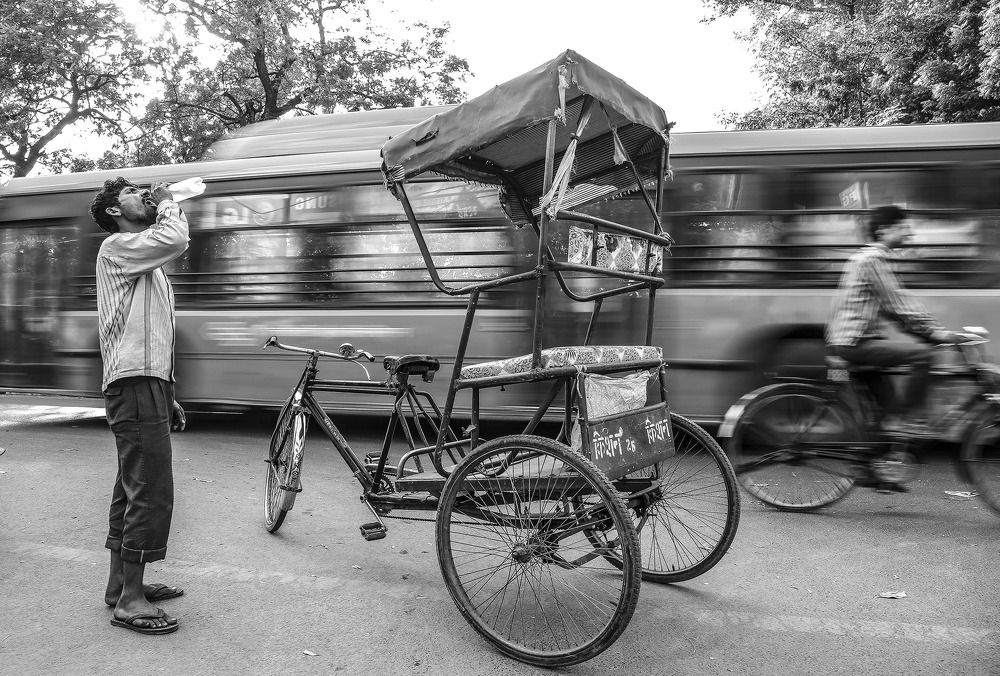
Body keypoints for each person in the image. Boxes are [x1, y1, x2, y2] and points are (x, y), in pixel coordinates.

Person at [90, 177, 190, 635]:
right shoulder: (117, 246)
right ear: (114, 210)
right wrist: (169, 202)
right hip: (132, 383)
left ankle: (119, 585)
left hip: (146, 382)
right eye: (133, 192)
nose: (146, 196)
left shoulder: (146, 262)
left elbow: (156, 335)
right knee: (149, 488)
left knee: (132, 486)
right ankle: (130, 601)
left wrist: (169, 392)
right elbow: (175, 236)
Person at [826, 205, 966, 440]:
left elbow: (893, 311)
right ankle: (909, 419)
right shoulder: (873, 260)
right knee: (923, 356)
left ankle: (872, 469)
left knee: (885, 415)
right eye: (903, 228)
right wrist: (935, 333)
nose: (908, 234)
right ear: (882, 231)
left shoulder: (864, 258)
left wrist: (927, 333)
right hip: (857, 343)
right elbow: (898, 304)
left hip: (849, 341)